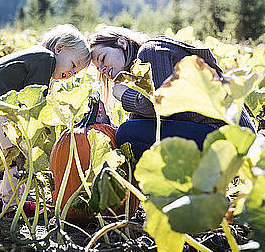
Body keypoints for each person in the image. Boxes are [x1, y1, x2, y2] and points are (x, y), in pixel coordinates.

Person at [0, 24, 91, 215]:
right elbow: (32, 105)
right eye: (73, 65)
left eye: (76, 72)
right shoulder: (46, 59)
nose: (71, 74)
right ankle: (13, 202)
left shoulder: (36, 56)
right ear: (59, 48)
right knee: (18, 149)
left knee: (2, 155)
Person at [89, 26, 255, 161]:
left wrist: (124, 95)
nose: (103, 70)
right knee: (127, 132)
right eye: (98, 68)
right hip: (216, 134)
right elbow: (143, 122)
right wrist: (107, 126)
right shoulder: (137, 72)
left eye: (103, 59)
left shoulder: (150, 51)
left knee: (128, 133)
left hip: (229, 135)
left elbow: (162, 108)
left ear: (122, 43)